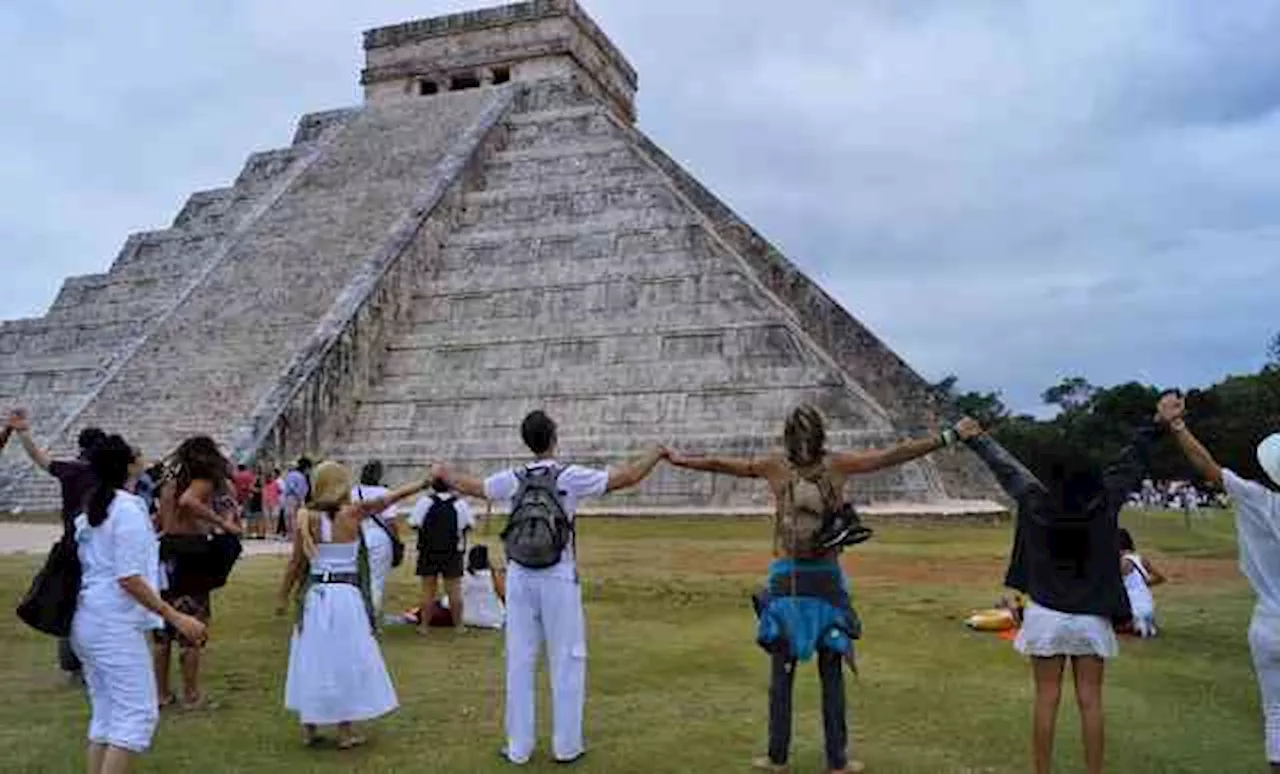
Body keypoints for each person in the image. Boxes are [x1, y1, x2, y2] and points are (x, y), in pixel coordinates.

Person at [668, 404, 960, 774]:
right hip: (823, 579)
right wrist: (948, 437)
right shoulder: (835, 466)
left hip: (787, 579)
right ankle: (835, 761)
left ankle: (778, 757)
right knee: (830, 671)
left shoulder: (775, 467)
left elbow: (721, 464)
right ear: (822, 434)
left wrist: (681, 460)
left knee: (783, 674)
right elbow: (892, 456)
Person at [433, 409, 666, 766]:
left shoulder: (512, 478)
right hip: (558, 573)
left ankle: (519, 747)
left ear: (526, 441)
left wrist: (443, 474)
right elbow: (627, 478)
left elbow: (474, 487)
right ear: (554, 438)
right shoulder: (568, 476)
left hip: (520, 576)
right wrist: (656, 452)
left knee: (520, 661)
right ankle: (566, 745)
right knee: (567, 658)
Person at [955, 414, 1154, 774]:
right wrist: (1154, 425)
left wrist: (977, 439)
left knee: (1046, 699)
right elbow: (1130, 463)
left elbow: (1008, 470)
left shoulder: (1035, 501)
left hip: (1046, 614)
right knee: (1090, 701)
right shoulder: (1104, 502)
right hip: (1091, 617)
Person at [1157, 391, 1280, 772]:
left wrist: (1177, 425)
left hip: (1268, 622)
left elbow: (1205, 464)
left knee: (1275, 713)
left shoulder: (1257, 500)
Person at [70, 434, 207, 774]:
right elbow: (128, 577)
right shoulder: (126, 510)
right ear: (128, 465)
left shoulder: (93, 509)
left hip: (89, 618)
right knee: (136, 713)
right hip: (112, 622)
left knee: (107, 714)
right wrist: (175, 616)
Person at [278, 461, 430, 749]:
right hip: (345, 596)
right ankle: (345, 731)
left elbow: (295, 564)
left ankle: (309, 727)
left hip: (316, 596)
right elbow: (389, 499)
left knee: (312, 657)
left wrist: (282, 598)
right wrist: (422, 484)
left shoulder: (306, 518)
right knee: (344, 658)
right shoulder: (353, 513)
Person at [7, 408, 107, 680]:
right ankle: (94, 658)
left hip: (69, 545)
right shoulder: (105, 474)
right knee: (95, 602)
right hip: (98, 547)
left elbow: (39, 458)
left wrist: (23, 432)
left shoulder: (70, 470)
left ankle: (72, 662)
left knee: (69, 600)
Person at [153, 436, 242, 712]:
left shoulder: (168, 485)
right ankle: (191, 695)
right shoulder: (201, 481)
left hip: (166, 552)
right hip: (190, 553)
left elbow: (160, 520)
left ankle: (162, 693)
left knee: (163, 630)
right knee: (192, 625)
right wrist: (220, 523)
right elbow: (189, 501)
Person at [408, 478, 476, 635]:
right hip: (453, 551)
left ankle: (424, 626)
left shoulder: (425, 502)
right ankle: (459, 625)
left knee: (427, 590)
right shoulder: (460, 503)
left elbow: (413, 523)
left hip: (428, 551)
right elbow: (470, 525)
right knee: (454, 590)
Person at [351, 460, 403, 614]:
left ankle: (356, 613)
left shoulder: (354, 492)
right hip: (379, 537)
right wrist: (397, 540)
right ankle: (371, 615)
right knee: (376, 580)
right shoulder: (385, 494)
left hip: (357, 535)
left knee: (357, 578)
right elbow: (390, 521)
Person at [1118, 528, 1166, 638]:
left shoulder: (1122, 563)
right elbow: (1160, 578)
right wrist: (1143, 584)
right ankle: (1145, 625)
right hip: (1148, 606)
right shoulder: (1141, 559)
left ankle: (1134, 625)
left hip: (1133, 609)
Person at [281, 458, 312, 540]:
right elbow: (303, 489)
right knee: (294, 516)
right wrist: (301, 497)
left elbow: (291, 486)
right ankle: (294, 534)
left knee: (290, 516)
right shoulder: (300, 476)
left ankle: (291, 534)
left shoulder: (292, 475)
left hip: (291, 497)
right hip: (296, 497)